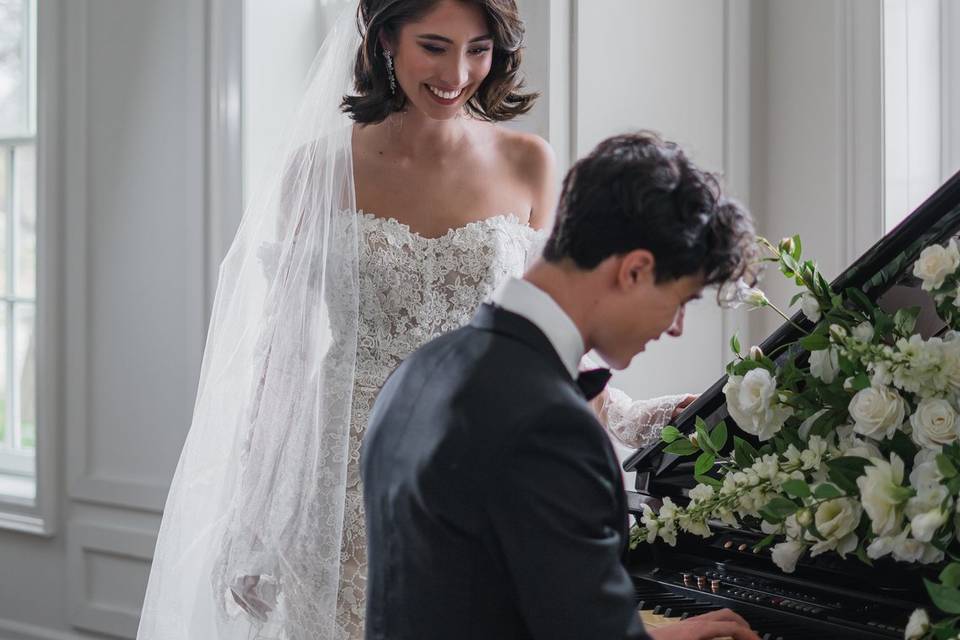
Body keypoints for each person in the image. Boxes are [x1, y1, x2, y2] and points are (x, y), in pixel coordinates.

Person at [137, 2, 691, 639]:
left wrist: (640, 417)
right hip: (344, 484)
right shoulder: (320, 169)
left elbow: (554, 334)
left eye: (478, 49)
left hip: (480, 473)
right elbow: (282, 353)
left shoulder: (528, 163)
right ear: (384, 41)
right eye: (433, 46)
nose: (457, 72)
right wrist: (259, 514)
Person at [362, 131, 761, 640]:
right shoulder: (549, 425)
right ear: (635, 270)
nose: (676, 326)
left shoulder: (419, 369)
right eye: (680, 300)